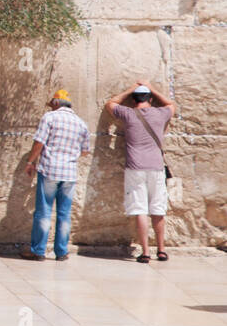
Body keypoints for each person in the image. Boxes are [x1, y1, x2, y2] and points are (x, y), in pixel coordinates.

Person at [105, 82, 176, 263]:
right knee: (158, 209)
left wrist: (129, 89)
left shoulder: (128, 114)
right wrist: (152, 88)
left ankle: (145, 252)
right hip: (156, 167)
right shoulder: (160, 114)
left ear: (133, 100)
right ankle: (161, 250)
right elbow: (171, 105)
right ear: (150, 99)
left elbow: (110, 104)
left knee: (140, 209)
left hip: (135, 167)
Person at [21, 89, 91, 261]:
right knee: (64, 214)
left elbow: (39, 142)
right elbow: (85, 151)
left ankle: (38, 251)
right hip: (69, 173)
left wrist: (30, 161)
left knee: (44, 212)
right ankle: (61, 251)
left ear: (56, 103)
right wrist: (69, 156)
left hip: (50, 170)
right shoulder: (81, 123)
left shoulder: (50, 118)